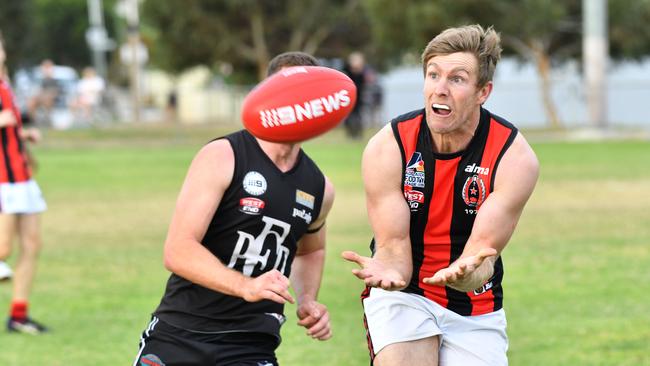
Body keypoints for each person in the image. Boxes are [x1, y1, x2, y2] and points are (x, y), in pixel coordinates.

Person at [342, 25, 539, 365]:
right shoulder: (389, 147)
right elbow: (393, 245)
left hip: (474, 305)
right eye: (433, 75)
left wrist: (465, 275)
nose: (440, 89)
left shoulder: (513, 157)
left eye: (457, 79)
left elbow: (483, 254)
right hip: (406, 294)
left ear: (483, 92)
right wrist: (391, 273)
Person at [134, 51, 335, 366]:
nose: (297, 102)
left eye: (307, 94)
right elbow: (178, 249)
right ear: (266, 93)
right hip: (181, 333)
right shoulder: (223, 156)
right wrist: (246, 286)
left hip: (252, 345)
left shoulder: (319, 187)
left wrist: (308, 299)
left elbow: (310, 250)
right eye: (287, 90)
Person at [0, 35, 49, 334]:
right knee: (3, 247)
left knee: (31, 244)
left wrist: (24, 135)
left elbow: (9, 127)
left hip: (22, 178)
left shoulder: (5, 85)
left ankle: (18, 316)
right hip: (3, 181)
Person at [27, 59, 61, 126]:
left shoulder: (54, 80)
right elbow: (39, 91)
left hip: (51, 99)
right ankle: (34, 121)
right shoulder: (42, 80)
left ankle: (48, 120)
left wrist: (46, 95)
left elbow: (56, 92)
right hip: (42, 98)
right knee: (31, 102)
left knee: (47, 99)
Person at [342, 51, 368, 139]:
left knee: (358, 117)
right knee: (349, 117)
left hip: (358, 98)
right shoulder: (346, 70)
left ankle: (358, 134)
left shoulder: (362, 73)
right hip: (348, 97)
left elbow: (363, 85)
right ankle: (350, 134)